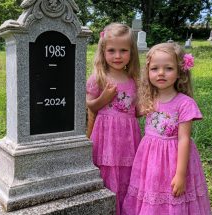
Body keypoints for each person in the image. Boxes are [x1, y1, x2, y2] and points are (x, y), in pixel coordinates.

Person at [122, 43, 212, 215]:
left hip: (174, 159)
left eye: (168, 68)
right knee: (152, 192)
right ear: (147, 72)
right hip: (150, 159)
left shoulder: (184, 103)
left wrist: (180, 175)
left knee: (173, 196)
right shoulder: (149, 99)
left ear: (180, 72)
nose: (161, 73)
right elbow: (130, 113)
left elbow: (184, 139)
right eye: (155, 68)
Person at [86, 23, 141, 215]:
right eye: (112, 50)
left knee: (126, 173)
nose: (117, 56)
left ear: (131, 52)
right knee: (107, 173)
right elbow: (91, 106)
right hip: (106, 137)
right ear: (103, 51)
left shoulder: (134, 80)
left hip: (128, 138)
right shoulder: (98, 78)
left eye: (123, 50)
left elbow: (137, 110)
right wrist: (104, 98)